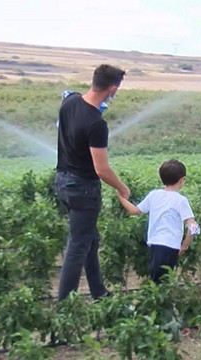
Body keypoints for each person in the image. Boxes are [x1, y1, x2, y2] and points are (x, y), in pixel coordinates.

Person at [55, 64, 130, 301]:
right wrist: (121, 186)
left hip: (62, 181)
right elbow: (101, 169)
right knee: (77, 247)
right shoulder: (97, 124)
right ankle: (65, 306)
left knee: (90, 238)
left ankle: (98, 291)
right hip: (83, 189)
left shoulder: (70, 102)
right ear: (113, 89)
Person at [117, 159, 200, 284]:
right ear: (182, 180)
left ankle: (156, 302)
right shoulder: (181, 200)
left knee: (156, 280)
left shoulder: (154, 195)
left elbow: (135, 211)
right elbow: (193, 227)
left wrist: (121, 198)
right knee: (163, 282)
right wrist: (185, 245)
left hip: (155, 244)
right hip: (171, 246)